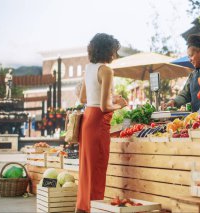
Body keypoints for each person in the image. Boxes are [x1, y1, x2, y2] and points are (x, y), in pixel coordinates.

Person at [77, 33, 127, 212]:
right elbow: (105, 107)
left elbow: (83, 97)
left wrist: (106, 98)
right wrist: (119, 104)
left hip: (87, 120)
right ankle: (94, 208)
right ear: (108, 50)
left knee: (86, 171)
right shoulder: (106, 70)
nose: (115, 54)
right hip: (99, 122)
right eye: (114, 50)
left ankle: (83, 208)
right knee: (98, 170)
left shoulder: (88, 68)